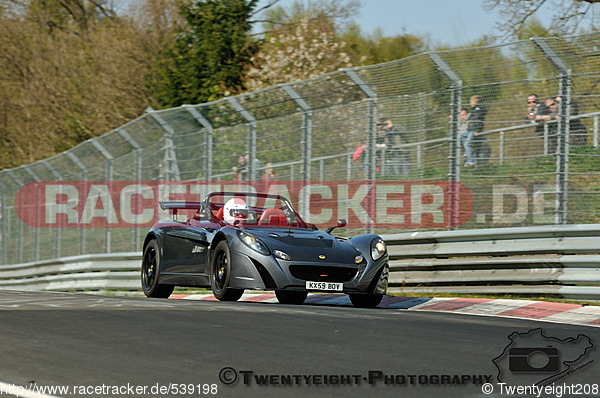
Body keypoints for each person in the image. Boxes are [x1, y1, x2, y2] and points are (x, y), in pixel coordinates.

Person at [463, 95, 487, 167]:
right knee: (462, 135)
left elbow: (477, 121)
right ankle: (467, 151)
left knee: (468, 144)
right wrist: (468, 120)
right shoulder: (474, 109)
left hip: (474, 130)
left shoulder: (479, 109)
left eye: (471, 101)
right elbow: (470, 118)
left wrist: (477, 130)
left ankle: (470, 160)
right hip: (470, 129)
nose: (470, 103)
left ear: (475, 101)